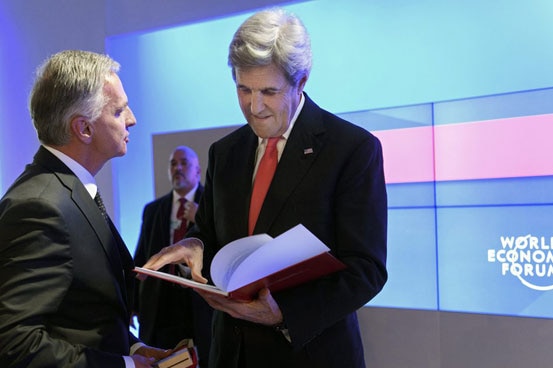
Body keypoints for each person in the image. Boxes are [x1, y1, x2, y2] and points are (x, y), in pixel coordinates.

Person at [143, 7, 388, 368]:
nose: (253, 107)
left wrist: (282, 313)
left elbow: (366, 268)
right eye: (243, 89)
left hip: (308, 356)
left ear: (301, 81)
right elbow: (210, 233)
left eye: (269, 92)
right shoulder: (225, 152)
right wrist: (194, 245)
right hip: (230, 354)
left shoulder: (351, 149)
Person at [0, 50, 169, 368]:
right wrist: (125, 366)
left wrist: (133, 350)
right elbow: (14, 345)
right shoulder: (39, 207)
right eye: (119, 111)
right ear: (84, 129)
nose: (132, 118)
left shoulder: (68, 190)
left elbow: (80, 317)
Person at [133, 146, 213, 365]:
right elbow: (141, 256)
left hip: (199, 303)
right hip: (161, 304)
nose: (178, 168)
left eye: (184, 163)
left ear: (197, 171)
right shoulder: (153, 210)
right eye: (173, 164)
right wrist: (131, 304)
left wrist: (201, 217)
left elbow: (225, 246)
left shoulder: (212, 204)